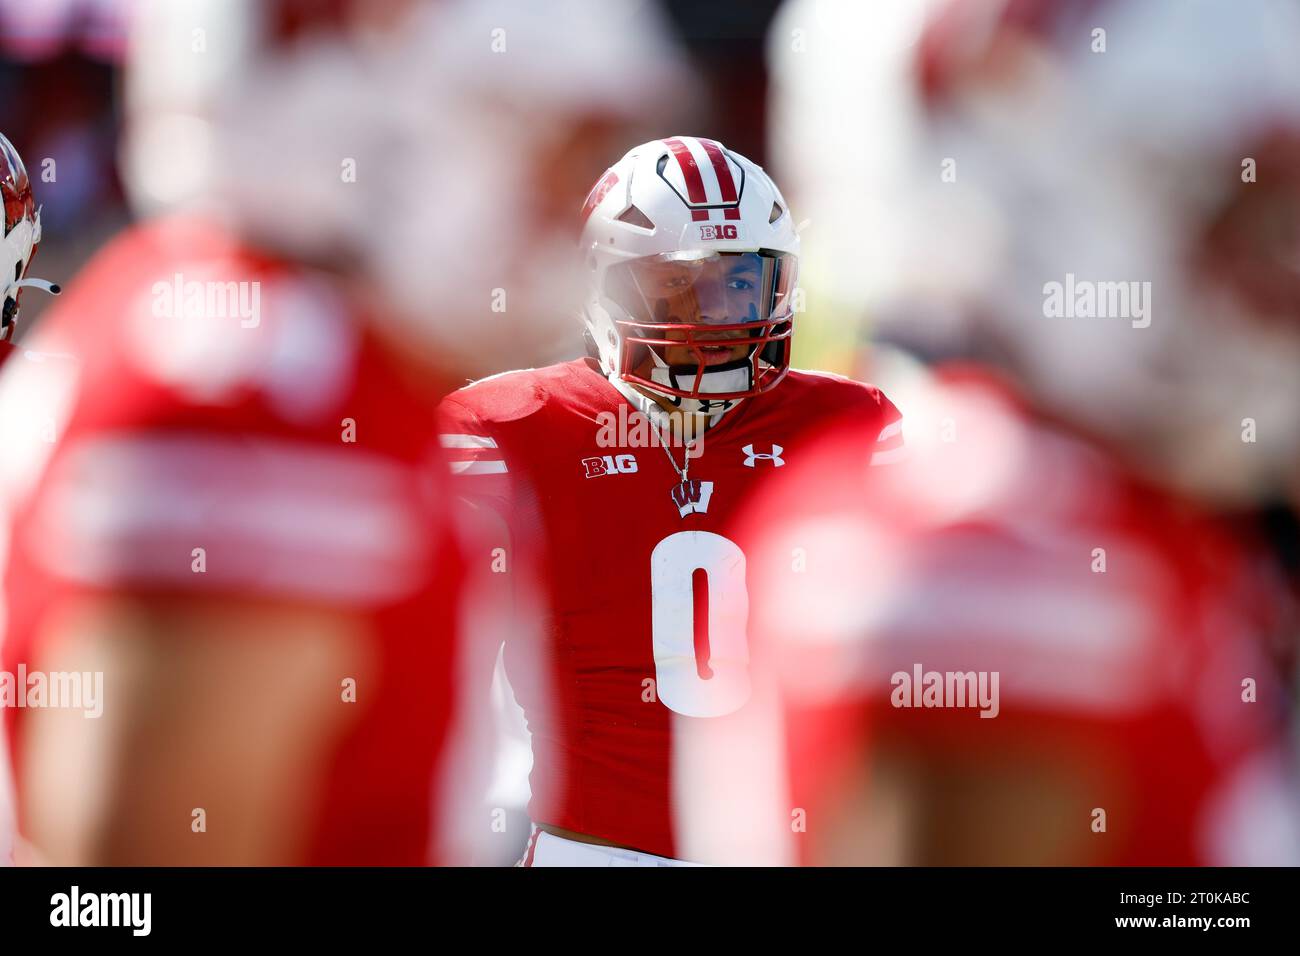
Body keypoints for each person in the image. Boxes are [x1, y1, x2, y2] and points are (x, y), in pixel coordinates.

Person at [439, 135, 903, 865]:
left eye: (738, 284)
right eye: (677, 287)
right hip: (597, 849)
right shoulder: (511, 428)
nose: (711, 320)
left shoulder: (849, 425)